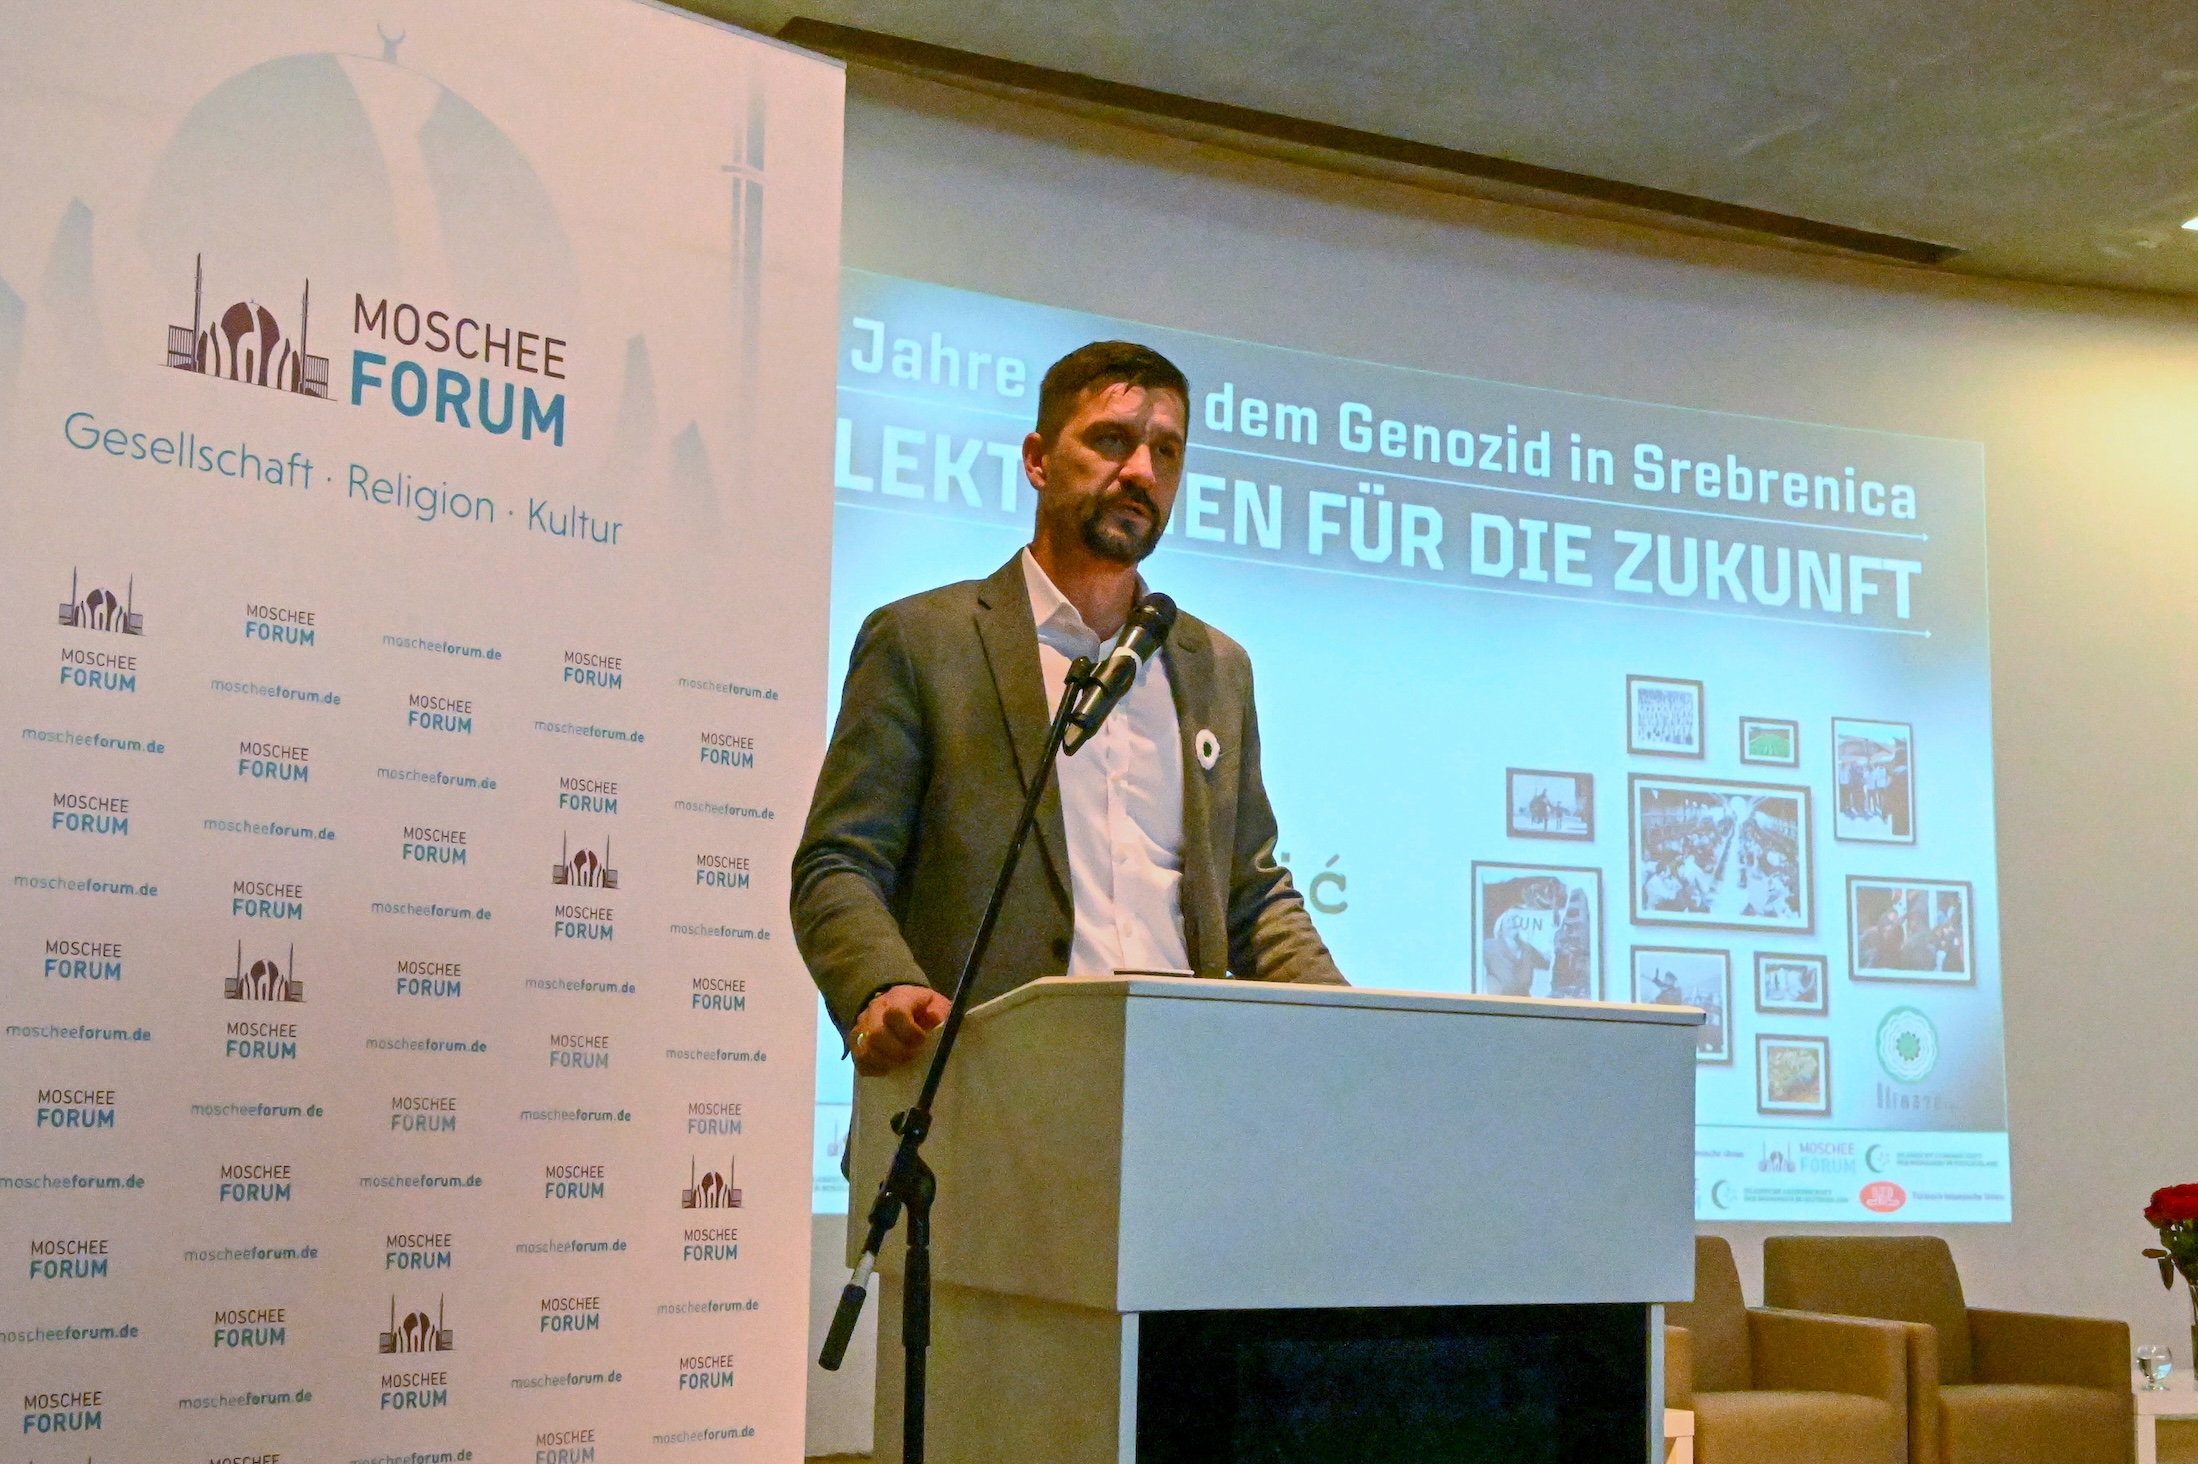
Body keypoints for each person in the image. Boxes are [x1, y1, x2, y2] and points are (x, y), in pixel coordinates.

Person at [792, 340, 1345, 1075]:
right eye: (1111, 441)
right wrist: (881, 984)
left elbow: (1249, 895)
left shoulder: (1216, 667)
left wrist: (1353, 1021)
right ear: (1038, 460)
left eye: (1167, 451)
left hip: (1180, 1087)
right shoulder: (924, 642)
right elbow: (840, 862)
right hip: (985, 1084)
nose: (1141, 471)